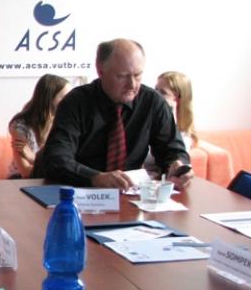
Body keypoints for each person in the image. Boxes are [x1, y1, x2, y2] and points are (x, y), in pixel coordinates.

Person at [40, 38, 193, 190]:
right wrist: (95, 177)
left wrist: (178, 166)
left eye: (137, 75)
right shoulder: (76, 102)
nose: (132, 85)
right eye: (122, 76)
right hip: (81, 191)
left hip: (130, 192)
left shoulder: (152, 102)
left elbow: (172, 150)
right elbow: (56, 159)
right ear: (100, 71)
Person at [7, 74, 71, 178]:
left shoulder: (67, 122)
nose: (70, 101)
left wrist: (34, 159)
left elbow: (69, 164)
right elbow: (26, 173)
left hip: (50, 177)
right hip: (20, 180)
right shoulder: (21, 126)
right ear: (49, 98)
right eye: (65, 97)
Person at [156, 71, 198, 149]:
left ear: (178, 99)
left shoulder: (184, 138)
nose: (156, 95)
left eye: (163, 92)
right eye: (155, 90)